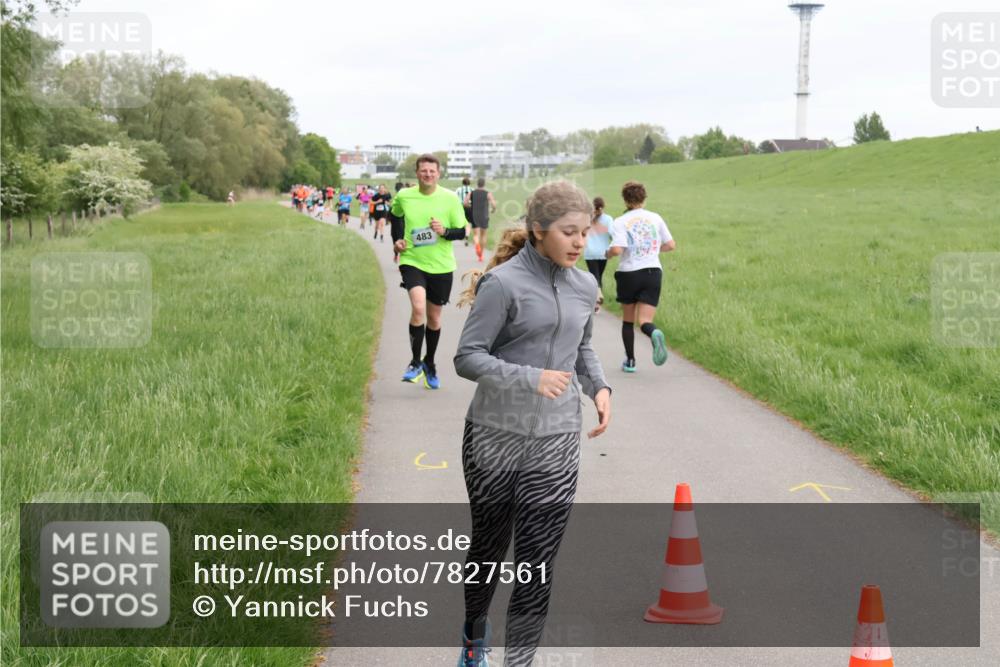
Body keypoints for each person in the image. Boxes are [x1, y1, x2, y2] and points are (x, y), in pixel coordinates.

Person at [453, 180, 611, 667]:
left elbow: (581, 348)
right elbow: (467, 357)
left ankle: (518, 662)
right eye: (569, 232)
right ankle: (475, 639)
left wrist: (600, 387)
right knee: (489, 547)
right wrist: (529, 377)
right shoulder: (502, 284)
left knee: (537, 564)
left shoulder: (585, 284)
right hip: (495, 437)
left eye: (585, 232)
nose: (580, 243)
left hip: (557, 439)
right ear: (538, 230)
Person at [390, 154, 467, 389]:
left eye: (432, 171)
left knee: (434, 318)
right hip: (412, 260)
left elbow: (462, 232)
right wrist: (397, 241)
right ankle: (414, 362)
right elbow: (395, 217)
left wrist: (444, 230)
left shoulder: (450, 198)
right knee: (419, 307)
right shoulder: (405, 196)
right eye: (423, 171)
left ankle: (429, 363)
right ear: (417, 173)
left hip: (442, 266)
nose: (428, 175)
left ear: (438, 173)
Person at [607, 181, 675, 372]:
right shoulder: (656, 218)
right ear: (644, 198)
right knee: (645, 320)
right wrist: (653, 250)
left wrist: (608, 253)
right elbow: (671, 245)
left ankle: (630, 362)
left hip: (629, 273)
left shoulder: (620, 221)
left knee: (628, 320)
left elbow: (618, 248)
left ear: (625, 199)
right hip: (652, 271)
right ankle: (653, 332)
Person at [583, 197, 613, 312]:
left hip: (590, 252)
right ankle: (597, 300)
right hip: (603, 253)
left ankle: (596, 300)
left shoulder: (587, 219)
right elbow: (612, 234)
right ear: (603, 207)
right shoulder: (608, 219)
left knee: (595, 276)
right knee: (598, 276)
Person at [464, 178, 496, 263]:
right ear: (484, 184)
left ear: (477, 184)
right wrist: (493, 210)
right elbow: (493, 204)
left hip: (474, 216)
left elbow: (465, 202)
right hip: (484, 216)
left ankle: (477, 245)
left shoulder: (472, 193)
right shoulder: (487, 193)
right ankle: (481, 254)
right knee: (483, 235)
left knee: (475, 234)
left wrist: (469, 206)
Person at [455, 177, 474, 247]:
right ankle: (467, 235)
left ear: (462, 182)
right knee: (468, 223)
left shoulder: (459, 189)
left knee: (461, 221)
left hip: (461, 207)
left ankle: (461, 234)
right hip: (469, 207)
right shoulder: (472, 190)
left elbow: (455, 198)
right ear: (469, 183)